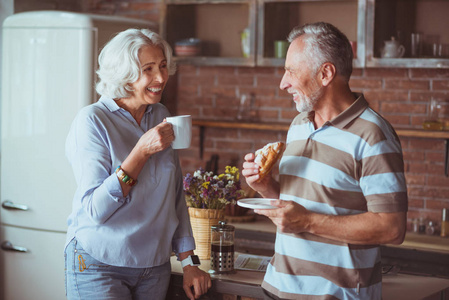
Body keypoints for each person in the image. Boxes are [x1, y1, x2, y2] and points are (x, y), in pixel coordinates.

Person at [242, 22, 408, 300]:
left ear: (326, 73)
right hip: (278, 288)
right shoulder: (298, 125)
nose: (283, 83)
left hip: (335, 295)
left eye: (291, 71)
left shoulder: (373, 135)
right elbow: (297, 206)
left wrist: (307, 221)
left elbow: (392, 228)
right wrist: (265, 186)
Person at [64, 28, 211, 300]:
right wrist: (141, 151)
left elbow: (174, 195)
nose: (160, 78)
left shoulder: (161, 114)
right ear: (124, 74)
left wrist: (189, 263)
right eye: (148, 69)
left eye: (163, 66)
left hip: (153, 266)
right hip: (99, 262)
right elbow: (96, 209)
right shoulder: (93, 121)